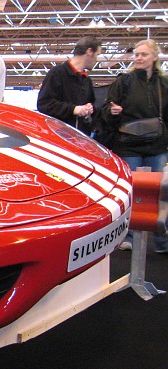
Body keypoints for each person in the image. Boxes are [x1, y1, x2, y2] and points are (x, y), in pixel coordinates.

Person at [100, 39, 168, 253]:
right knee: (129, 193)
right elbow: (106, 109)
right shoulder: (124, 81)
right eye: (136, 54)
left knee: (161, 195)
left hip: (156, 145)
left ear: (155, 57)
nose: (139, 58)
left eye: (144, 54)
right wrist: (111, 111)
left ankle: (162, 240)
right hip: (128, 145)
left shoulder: (163, 84)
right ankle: (126, 236)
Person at [37, 37, 102, 135]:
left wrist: (90, 108)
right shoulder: (57, 74)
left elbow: (91, 103)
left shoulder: (86, 80)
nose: (97, 59)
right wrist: (73, 109)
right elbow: (44, 104)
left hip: (80, 139)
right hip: (58, 138)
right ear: (89, 51)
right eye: (97, 55)